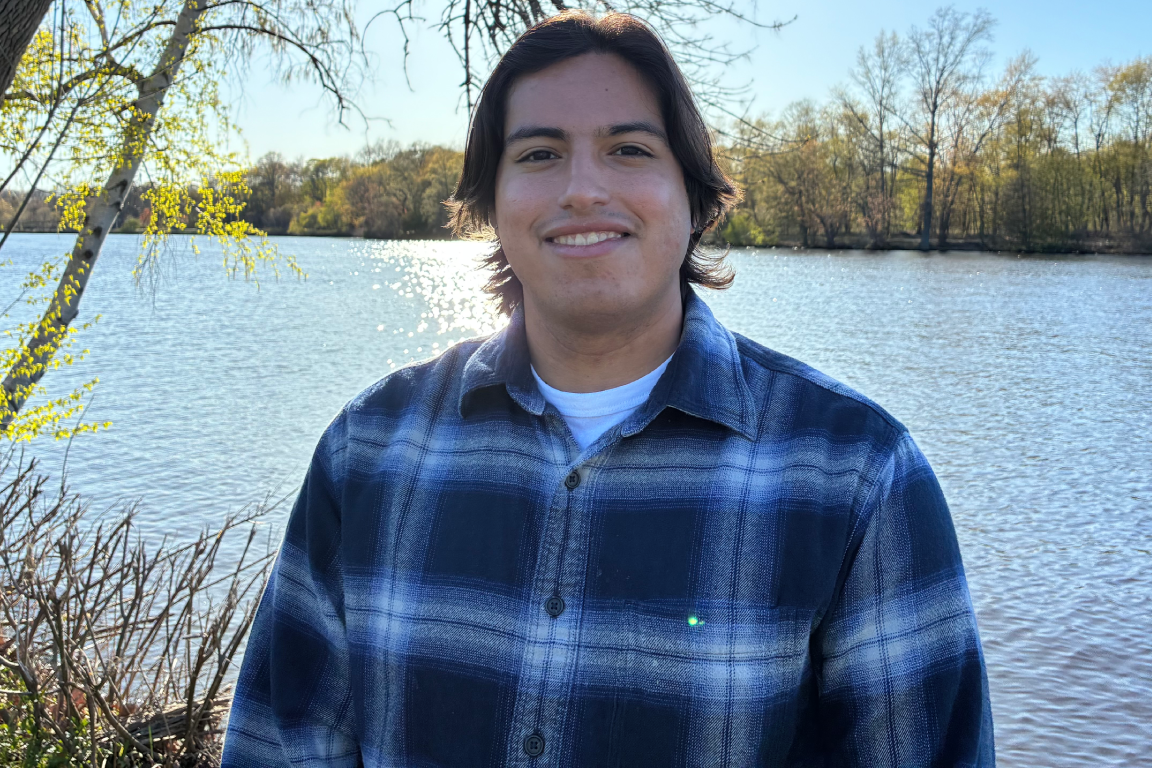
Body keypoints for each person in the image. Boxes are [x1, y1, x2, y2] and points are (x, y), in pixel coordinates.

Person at [222, 11, 994, 766]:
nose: (583, 189)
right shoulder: (371, 450)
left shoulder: (855, 471)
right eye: (537, 155)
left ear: (694, 199)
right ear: (491, 205)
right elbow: (281, 743)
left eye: (628, 149)